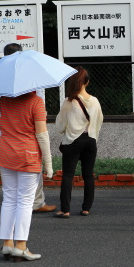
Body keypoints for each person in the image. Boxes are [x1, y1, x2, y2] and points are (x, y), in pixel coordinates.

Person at [0, 43, 56, 213]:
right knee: (32, 178)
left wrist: (3, 126)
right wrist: (49, 163)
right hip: (28, 141)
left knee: (10, 192)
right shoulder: (33, 82)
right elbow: (40, 128)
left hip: (5, 139)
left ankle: (13, 222)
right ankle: (36, 204)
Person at [0, 88, 53, 261]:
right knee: (25, 201)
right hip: (28, 154)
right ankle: (21, 246)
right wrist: (48, 163)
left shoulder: (3, 99)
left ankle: (7, 243)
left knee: (9, 199)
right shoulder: (36, 102)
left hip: (5, 152)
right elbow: (42, 134)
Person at [55, 67, 103, 218]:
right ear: (87, 82)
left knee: (68, 175)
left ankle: (65, 209)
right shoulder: (95, 101)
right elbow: (100, 120)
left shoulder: (68, 102)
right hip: (90, 140)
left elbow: (60, 126)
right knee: (88, 175)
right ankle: (86, 208)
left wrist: (68, 129)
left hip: (72, 141)